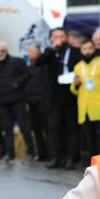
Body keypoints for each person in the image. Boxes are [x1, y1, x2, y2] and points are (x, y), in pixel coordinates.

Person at [37, 27, 80, 169]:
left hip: (70, 96)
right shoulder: (49, 53)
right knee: (54, 128)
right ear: (51, 39)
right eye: (56, 37)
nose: (59, 39)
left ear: (66, 37)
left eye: (61, 36)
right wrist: (51, 49)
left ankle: (71, 157)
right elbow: (38, 63)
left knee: (71, 128)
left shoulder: (74, 51)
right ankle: (56, 156)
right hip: (53, 97)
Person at [0, 42, 32, 163]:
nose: (0, 53)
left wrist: (16, 84)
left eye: (2, 51)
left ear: (6, 51)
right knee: (7, 130)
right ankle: (10, 153)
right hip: (3, 102)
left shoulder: (17, 61)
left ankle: (30, 152)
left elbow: (27, 74)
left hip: (18, 100)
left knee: (24, 127)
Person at [71, 38, 100, 160]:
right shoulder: (78, 66)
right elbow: (73, 89)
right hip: (85, 107)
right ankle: (94, 162)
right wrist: (76, 84)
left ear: (94, 49)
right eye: (84, 49)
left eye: (90, 48)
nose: (87, 51)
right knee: (89, 136)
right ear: (81, 50)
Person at [24, 44, 49, 162]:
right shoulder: (27, 68)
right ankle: (41, 153)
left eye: (33, 52)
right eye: (29, 52)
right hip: (31, 101)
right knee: (36, 129)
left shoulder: (44, 67)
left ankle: (51, 153)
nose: (30, 55)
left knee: (47, 128)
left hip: (43, 101)